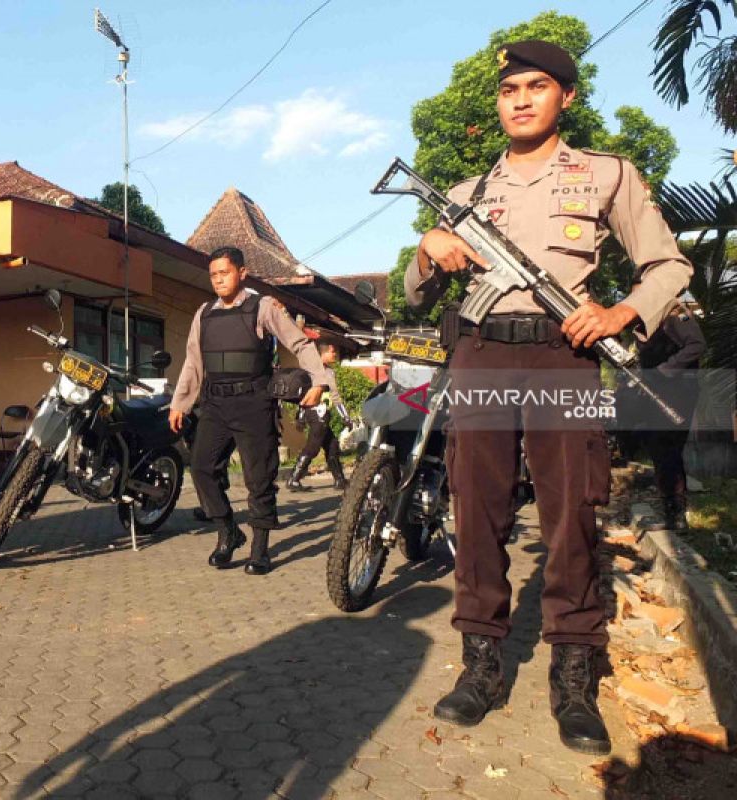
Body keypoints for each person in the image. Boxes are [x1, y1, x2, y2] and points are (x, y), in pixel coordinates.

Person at [404, 41, 692, 755]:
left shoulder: (606, 174)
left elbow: (669, 265)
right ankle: (480, 667)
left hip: (568, 357)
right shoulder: (467, 194)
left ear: (566, 95)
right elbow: (416, 292)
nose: (521, 99)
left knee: (573, 514)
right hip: (478, 354)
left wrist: (621, 314)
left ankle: (573, 676)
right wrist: (428, 246)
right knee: (477, 510)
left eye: (538, 86)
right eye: (510, 90)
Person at [170, 246, 332, 575]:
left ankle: (260, 550)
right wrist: (180, 403)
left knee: (258, 479)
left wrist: (319, 381)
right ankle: (228, 532)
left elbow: (299, 343)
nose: (218, 280)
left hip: (254, 403)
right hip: (215, 404)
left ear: (242, 273)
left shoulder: (263, 307)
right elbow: (193, 362)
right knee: (201, 468)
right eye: (213, 274)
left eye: (224, 273)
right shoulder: (204, 314)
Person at [637, 305, 704, 530]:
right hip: (657, 394)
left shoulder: (675, 316)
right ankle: (671, 513)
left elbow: (697, 345)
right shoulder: (649, 320)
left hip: (677, 393)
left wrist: (664, 370)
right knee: (660, 451)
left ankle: (676, 515)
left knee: (668, 450)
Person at [286, 340, 348, 492]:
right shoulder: (324, 373)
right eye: (333, 352)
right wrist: (346, 417)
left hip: (318, 414)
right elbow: (335, 397)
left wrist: (301, 416)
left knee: (332, 445)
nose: (335, 355)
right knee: (312, 448)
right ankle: (294, 479)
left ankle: (340, 480)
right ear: (325, 352)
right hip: (318, 414)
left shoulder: (309, 371)